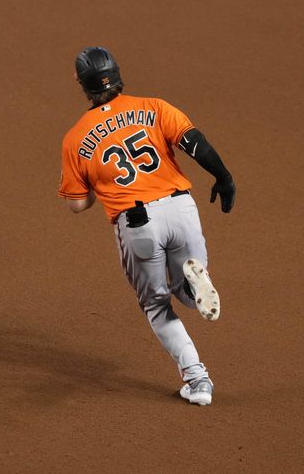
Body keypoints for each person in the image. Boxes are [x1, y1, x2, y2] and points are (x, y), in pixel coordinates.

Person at [58, 46, 235, 406]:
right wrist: (223, 176)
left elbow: (77, 203)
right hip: (181, 207)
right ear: (118, 74)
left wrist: (95, 187)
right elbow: (193, 142)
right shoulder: (154, 107)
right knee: (186, 291)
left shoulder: (75, 138)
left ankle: (198, 380)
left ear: (80, 83)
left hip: (138, 224)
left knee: (156, 305)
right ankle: (193, 278)